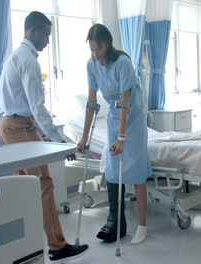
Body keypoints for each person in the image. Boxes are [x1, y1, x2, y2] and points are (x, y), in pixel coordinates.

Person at [0, 11, 88, 263]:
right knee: (43, 185)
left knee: (23, 188)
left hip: (8, 125)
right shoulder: (28, 61)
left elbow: (26, 105)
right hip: (19, 127)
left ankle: (22, 245)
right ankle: (57, 246)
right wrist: (59, 141)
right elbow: (37, 107)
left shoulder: (15, 56)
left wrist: (42, 134)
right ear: (32, 31)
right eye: (46, 34)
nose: (48, 40)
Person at [78, 23, 151, 245]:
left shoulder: (123, 63)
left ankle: (142, 225)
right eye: (91, 49)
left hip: (133, 118)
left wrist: (122, 138)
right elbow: (91, 102)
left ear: (107, 44)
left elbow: (125, 102)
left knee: (137, 172)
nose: (94, 54)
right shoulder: (92, 65)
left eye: (97, 49)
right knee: (112, 168)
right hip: (113, 117)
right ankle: (116, 223)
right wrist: (83, 137)